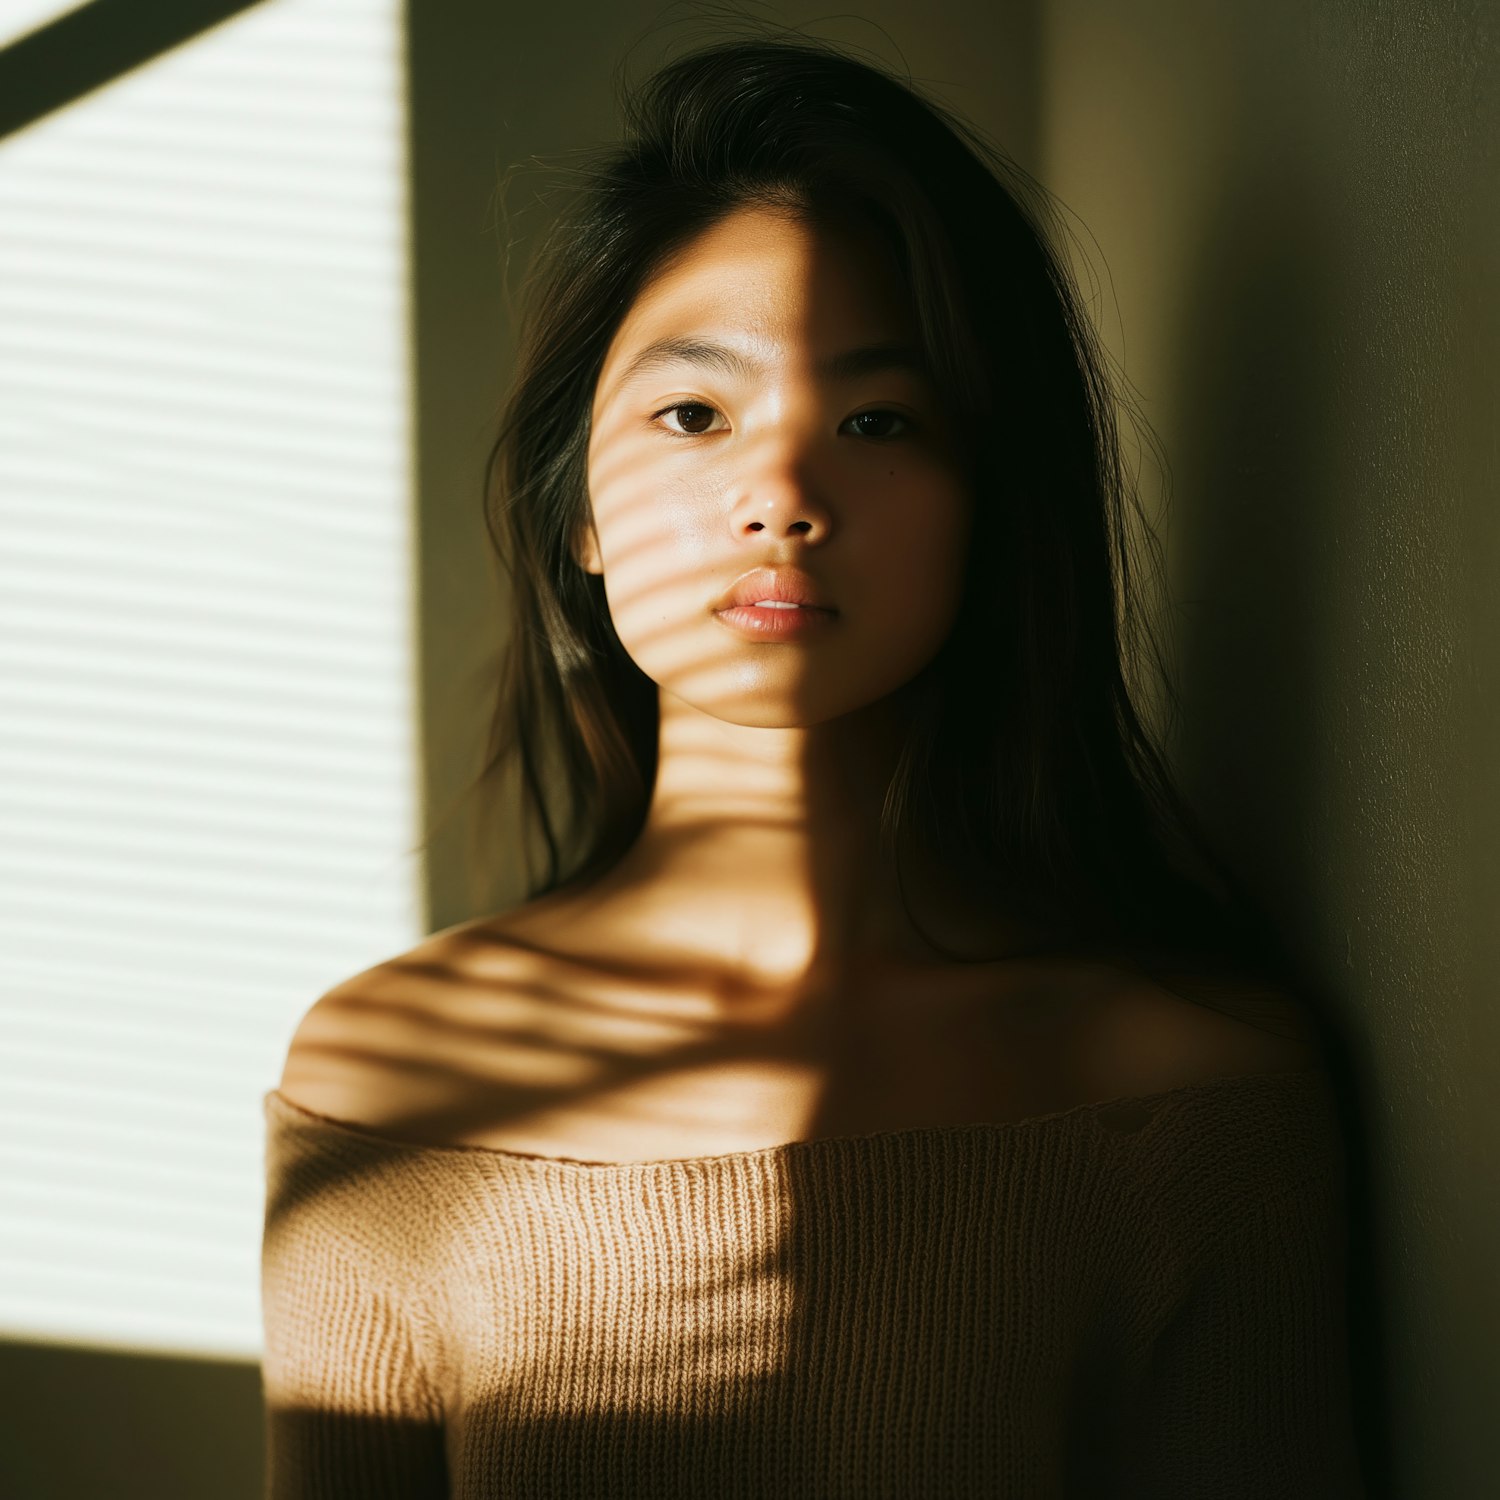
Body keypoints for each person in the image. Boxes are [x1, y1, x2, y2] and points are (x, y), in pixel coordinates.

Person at [259, 29, 1366, 1497]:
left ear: (992, 506)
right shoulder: (389, 1079)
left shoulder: (1178, 1091)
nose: (779, 496)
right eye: (694, 415)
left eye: (877, 421)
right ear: (577, 510)